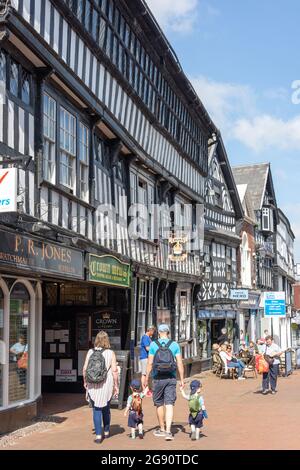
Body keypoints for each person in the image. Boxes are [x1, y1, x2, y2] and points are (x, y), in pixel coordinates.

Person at [145, 324, 185, 441]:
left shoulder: (153, 345)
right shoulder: (174, 345)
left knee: (159, 404)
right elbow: (179, 363)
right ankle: (168, 431)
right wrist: (182, 379)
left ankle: (162, 429)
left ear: (159, 333)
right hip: (171, 378)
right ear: (168, 332)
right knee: (169, 404)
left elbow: (150, 363)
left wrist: (147, 379)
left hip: (157, 378)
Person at [83, 331, 119, 444]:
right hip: (106, 382)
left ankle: (98, 436)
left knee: (96, 409)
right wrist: (116, 385)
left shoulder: (90, 352)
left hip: (92, 383)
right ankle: (107, 432)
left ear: (96, 340)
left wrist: (85, 381)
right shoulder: (111, 353)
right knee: (106, 407)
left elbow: (84, 369)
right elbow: (114, 371)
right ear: (107, 340)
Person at [140, 326, 155, 391]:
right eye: (153, 332)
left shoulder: (148, 338)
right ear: (150, 331)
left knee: (147, 373)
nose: (153, 333)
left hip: (147, 358)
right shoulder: (145, 337)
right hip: (144, 357)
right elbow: (147, 348)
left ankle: (147, 389)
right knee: (144, 374)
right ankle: (144, 389)